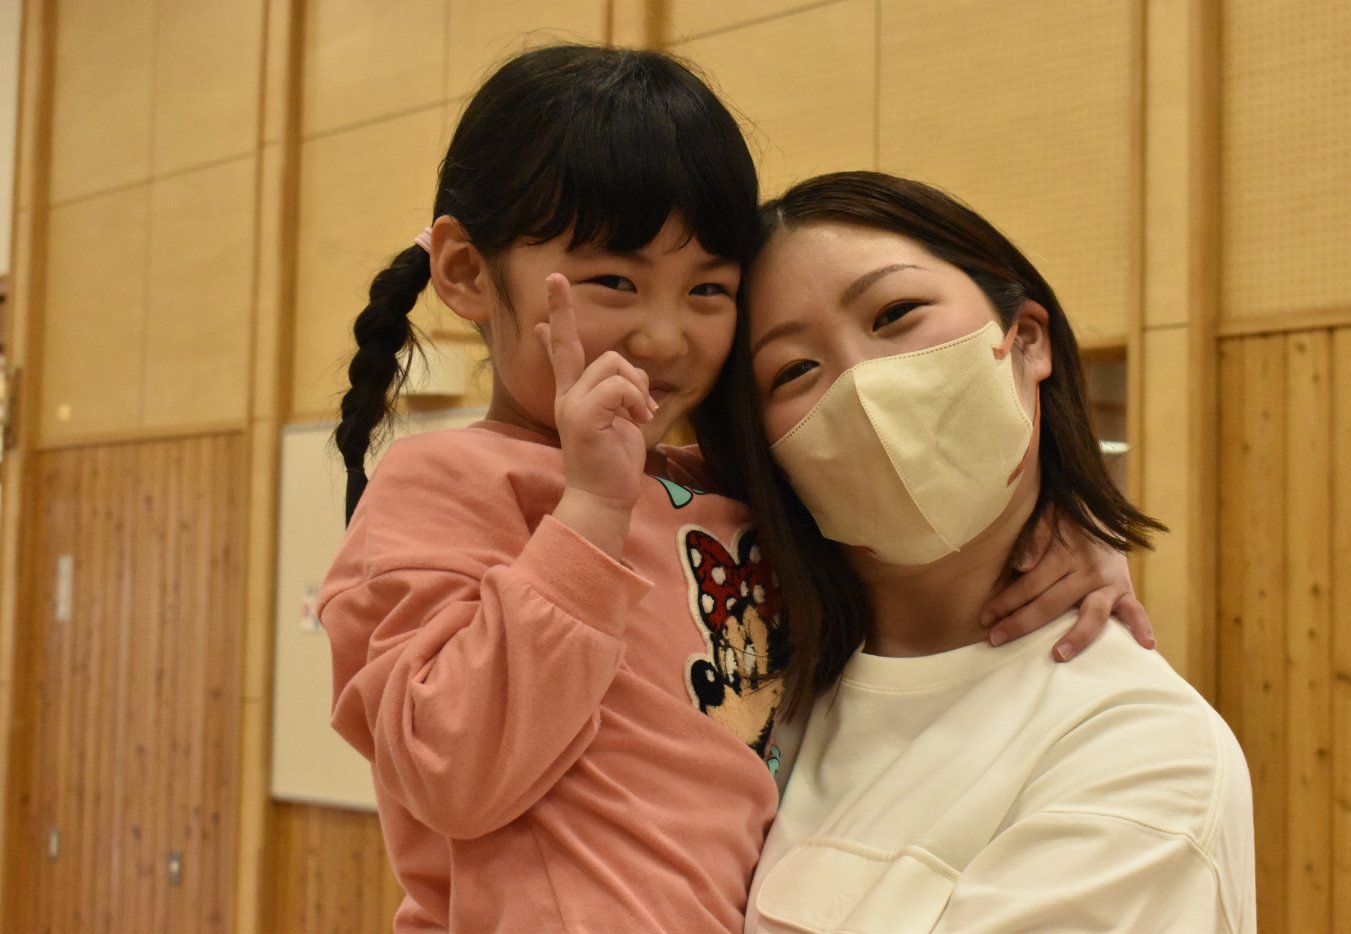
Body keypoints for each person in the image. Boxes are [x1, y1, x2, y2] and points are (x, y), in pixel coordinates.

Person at [318, 47, 1152, 933]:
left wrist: (1064, 538)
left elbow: (903, 555)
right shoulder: (441, 486)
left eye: (708, 289)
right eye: (614, 282)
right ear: (465, 272)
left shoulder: (724, 496)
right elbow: (451, 772)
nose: (665, 336)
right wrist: (590, 512)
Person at [695, 171, 1256, 933]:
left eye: (895, 314)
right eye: (794, 370)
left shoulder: (1140, 748)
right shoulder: (736, 670)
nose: (862, 385)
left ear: (1026, 338)